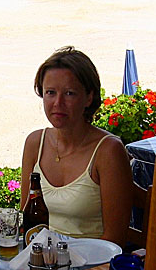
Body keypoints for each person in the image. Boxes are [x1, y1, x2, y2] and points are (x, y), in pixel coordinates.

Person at [20, 47, 133, 246]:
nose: (58, 103)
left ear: (88, 98)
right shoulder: (35, 143)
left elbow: (115, 240)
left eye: (70, 93)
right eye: (50, 93)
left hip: (90, 266)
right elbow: (26, 219)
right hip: (39, 263)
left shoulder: (108, 151)